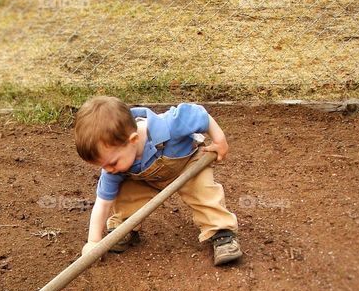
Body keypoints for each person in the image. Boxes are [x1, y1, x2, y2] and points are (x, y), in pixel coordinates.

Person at [74, 96, 242, 266]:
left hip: (188, 164)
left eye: (111, 163)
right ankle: (123, 228)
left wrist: (219, 140)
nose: (108, 170)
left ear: (133, 140)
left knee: (203, 192)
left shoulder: (171, 125)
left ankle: (222, 233)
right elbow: (102, 203)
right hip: (146, 179)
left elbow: (200, 115)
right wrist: (93, 242)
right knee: (126, 194)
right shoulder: (114, 165)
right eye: (103, 165)